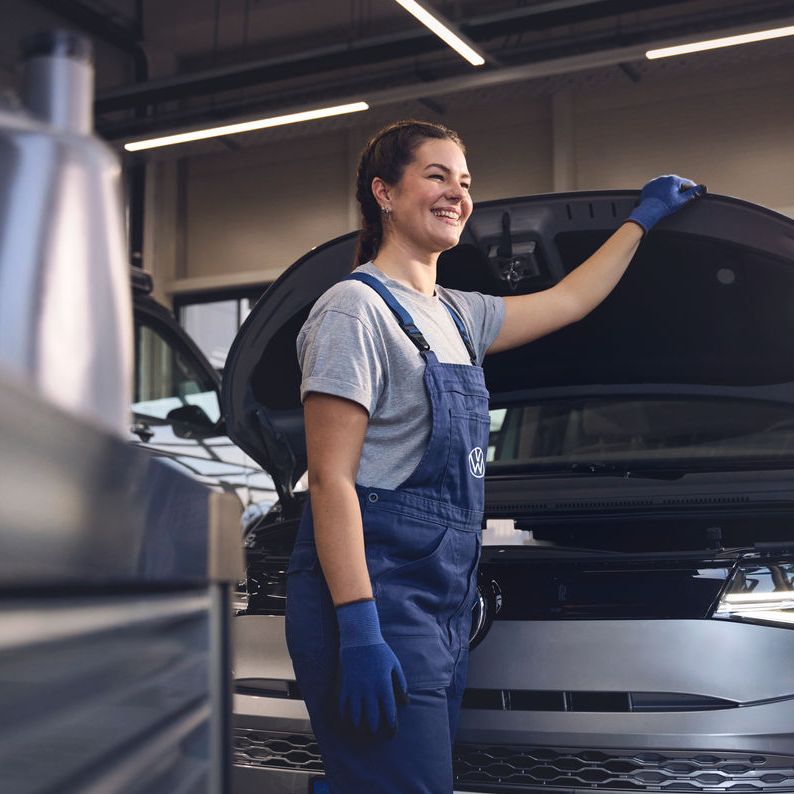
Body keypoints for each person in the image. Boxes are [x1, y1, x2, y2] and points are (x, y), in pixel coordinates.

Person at [285, 119, 704, 793]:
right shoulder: (353, 312)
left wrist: (641, 221)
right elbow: (331, 481)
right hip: (377, 602)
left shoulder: (456, 314)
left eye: (465, 181)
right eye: (436, 175)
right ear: (384, 193)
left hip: (444, 602)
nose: (456, 192)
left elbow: (569, 300)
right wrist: (359, 631)